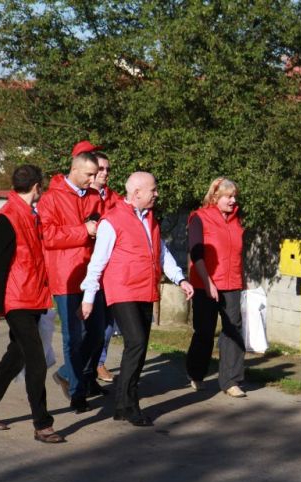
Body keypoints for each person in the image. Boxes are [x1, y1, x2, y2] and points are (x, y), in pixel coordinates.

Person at [80, 172, 194, 426]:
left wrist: (180, 279)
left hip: (145, 288)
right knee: (137, 341)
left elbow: (161, 252)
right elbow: (97, 262)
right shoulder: (112, 220)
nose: (157, 194)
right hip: (121, 289)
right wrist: (88, 297)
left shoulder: (151, 219)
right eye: (153, 190)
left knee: (139, 348)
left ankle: (121, 404)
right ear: (137, 193)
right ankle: (131, 405)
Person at [0, 165, 65, 444]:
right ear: (36, 187)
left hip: (33, 296)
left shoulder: (31, 216)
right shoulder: (7, 218)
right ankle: (43, 424)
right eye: (41, 187)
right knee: (35, 360)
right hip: (17, 299)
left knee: (17, 355)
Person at [39, 144, 107, 413]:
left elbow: (102, 227)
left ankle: (67, 373)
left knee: (99, 331)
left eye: (96, 174)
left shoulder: (94, 197)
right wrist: (83, 231)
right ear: (75, 169)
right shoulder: (51, 198)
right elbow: (48, 237)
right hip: (65, 276)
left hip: (92, 275)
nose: (94, 180)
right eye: (90, 174)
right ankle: (77, 392)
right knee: (73, 337)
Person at [185, 177, 247, 398]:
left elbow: (238, 253)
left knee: (233, 331)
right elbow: (196, 253)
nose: (233, 200)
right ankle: (196, 373)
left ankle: (231, 381)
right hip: (205, 284)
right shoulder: (199, 218)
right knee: (204, 331)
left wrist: (243, 280)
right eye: (228, 196)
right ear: (215, 197)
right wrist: (208, 282)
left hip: (232, 283)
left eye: (234, 196)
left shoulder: (236, 219)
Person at [87, 151, 122, 383]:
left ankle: (99, 362)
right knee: (89, 322)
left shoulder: (115, 198)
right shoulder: (83, 196)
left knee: (109, 320)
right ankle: (81, 369)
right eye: (101, 169)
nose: (105, 173)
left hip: (111, 267)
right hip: (86, 265)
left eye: (108, 169)